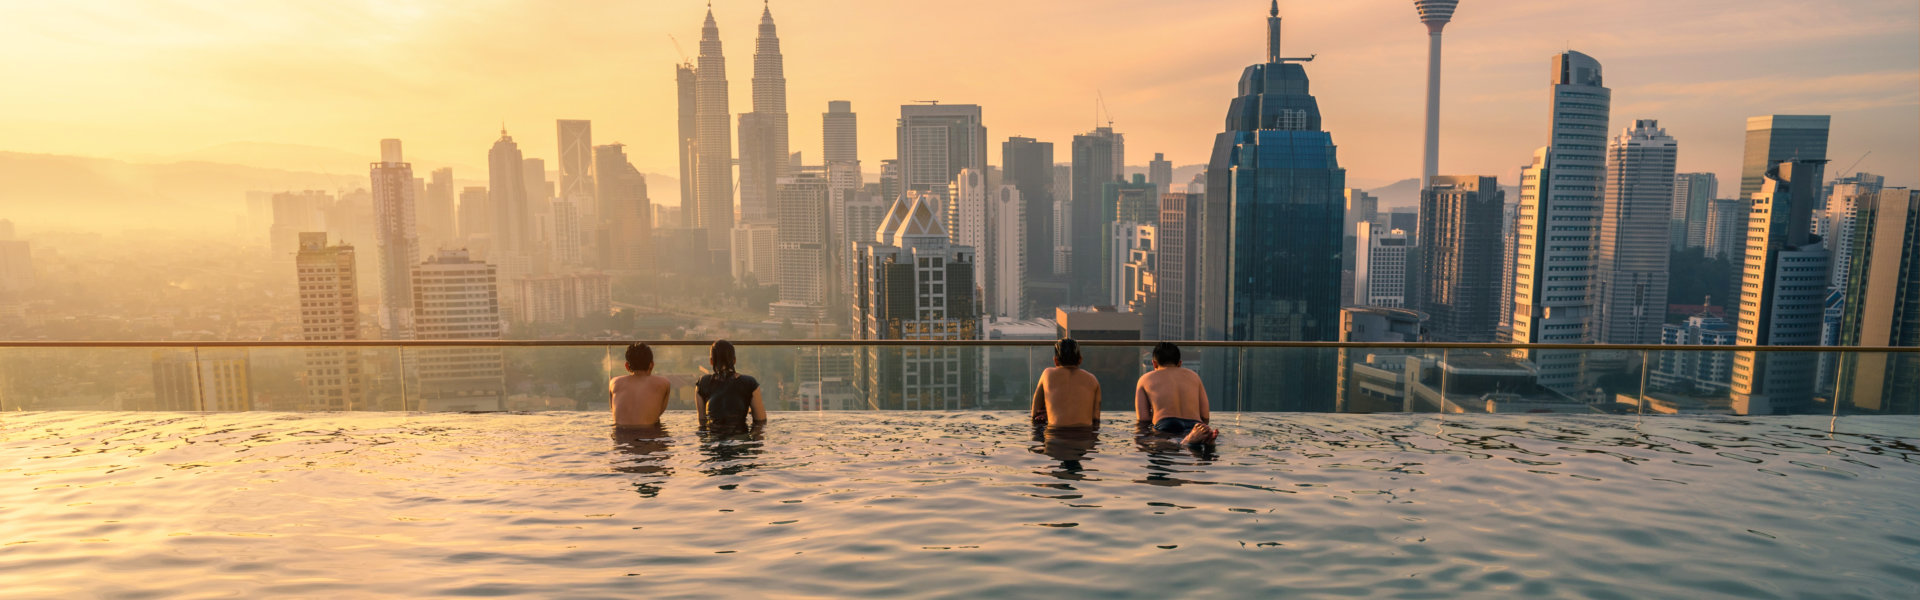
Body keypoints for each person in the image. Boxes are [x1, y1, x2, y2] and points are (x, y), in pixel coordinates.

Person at [1134, 342, 1215, 445]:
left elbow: (1143, 419)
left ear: (1154, 363)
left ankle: (1185, 442)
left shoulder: (1145, 379)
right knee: (1199, 450)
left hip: (1166, 424)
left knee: (1142, 443)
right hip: (1195, 425)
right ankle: (1205, 439)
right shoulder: (1194, 376)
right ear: (1179, 363)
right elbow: (1205, 415)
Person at [695, 340, 767, 434]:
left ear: (711, 361)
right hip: (740, 441)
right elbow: (760, 421)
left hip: (714, 443)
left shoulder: (702, 384)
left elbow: (702, 422)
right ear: (734, 360)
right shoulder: (750, 383)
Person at [1030, 338, 1101, 429]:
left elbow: (1035, 415)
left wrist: (1052, 413)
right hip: (1084, 438)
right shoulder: (1092, 379)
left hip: (1055, 438)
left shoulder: (1047, 374)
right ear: (1080, 360)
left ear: (1055, 360)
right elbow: (1096, 420)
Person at [610, 343, 672, 430]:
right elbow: (657, 413)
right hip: (648, 435)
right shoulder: (663, 383)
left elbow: (613, 409)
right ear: (652, 365)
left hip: (620, 435)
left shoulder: (614, 383)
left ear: (627, 366)